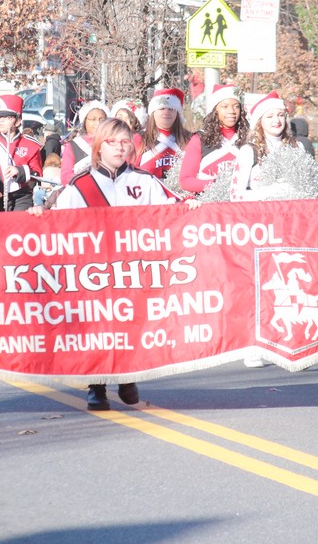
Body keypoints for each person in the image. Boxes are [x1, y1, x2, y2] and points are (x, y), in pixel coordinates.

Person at [27, 117, 199, 410]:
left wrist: (190, 209)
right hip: (92, 272)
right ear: (99, 146)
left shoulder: (144, 181)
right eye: (112, 142)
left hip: (132, 270)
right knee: (97, 328)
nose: (120, 148)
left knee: (129, 325)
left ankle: (128, 376)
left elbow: (171, 212)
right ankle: (97, 385)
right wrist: (38, 213)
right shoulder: (80, 185)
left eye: (124, 142)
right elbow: (55, 221)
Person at [179, 84, 248, 194]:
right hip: (210, 206)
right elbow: (185, 180)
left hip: (241, 207)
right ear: (215, 110)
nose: (231, 111)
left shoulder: (248, 138)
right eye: (225, 107)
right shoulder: (200, 139)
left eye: (236, 106)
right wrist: (217, 185)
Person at [137, 88, 190, 179]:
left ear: (177, 113)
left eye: (171, 109)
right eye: (162, 108)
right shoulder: (139, 138)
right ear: (153, 112)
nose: (167, 112)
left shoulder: (190, 139)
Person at [60, 100, 109, 184]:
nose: (97, 123)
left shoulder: (112, 142)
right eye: (93, 119)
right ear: (85, 121)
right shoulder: (73, 145)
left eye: (102, 119)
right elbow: (65, 176)